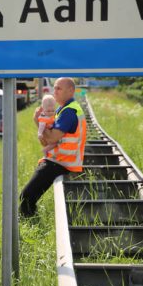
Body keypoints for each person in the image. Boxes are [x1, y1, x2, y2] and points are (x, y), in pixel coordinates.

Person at [19, 77, 87, 217]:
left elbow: (51, 138)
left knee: (26, 196)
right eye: (54, 87)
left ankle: (29, 223)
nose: (54, 91)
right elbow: (46, 142)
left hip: (61, 162)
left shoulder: (69, 112)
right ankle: (30, 220)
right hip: (56, 160)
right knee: (27, 196)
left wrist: (38, 121)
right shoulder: (60, 110)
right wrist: (40, 124)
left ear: (70, 91)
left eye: (58, 88)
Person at [37, 94, 58, 159]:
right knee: (55, 143)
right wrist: (39, 133)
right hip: (47, 135)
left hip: (52, 132)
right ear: (43, 108)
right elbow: (41, 127)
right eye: (48, 111)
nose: (51, 112)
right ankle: (45, 150)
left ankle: (51, 153)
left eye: (53, 110)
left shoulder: (52, 115)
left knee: (56, 143)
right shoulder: (43, 118)